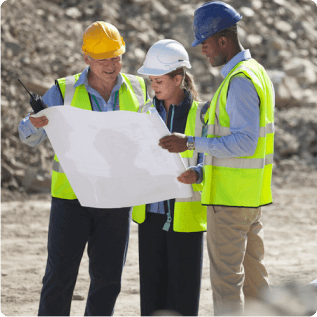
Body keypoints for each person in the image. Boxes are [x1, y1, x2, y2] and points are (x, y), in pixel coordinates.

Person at [18, 21, 149, 317]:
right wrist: (34, 124)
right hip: (71, 199)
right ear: (86, 58)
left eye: (116, 57)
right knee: (59, 278)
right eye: (103, 59)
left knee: (108, 281)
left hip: (116, 198)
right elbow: (28, 136)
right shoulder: (62, 90)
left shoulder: (140, 89)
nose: (112, 65)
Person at [159, 2, 275, 317]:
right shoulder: (255, 73)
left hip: (229, 203)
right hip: (249, 198)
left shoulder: (238, 81)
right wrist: (200, 169)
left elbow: (244, 142)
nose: (203, 52)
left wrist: (190, 142)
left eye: (206, 45)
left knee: (226, 284)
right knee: (255, 281)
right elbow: (240, 143)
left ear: (223, 41)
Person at [132, 39, 207, 317]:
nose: (154, 86)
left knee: (183, 301)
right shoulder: (143, 113)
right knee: (152, 301)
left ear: (178, 78)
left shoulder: (202, 115)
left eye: (159, 80)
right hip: (151, 217)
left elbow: (211, 161)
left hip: (185, 219)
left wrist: (197, 173)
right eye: (151, 80)